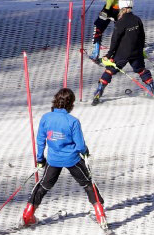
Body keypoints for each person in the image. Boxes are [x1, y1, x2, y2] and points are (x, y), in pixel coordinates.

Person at [22, 88, 106, 227]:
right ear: (71, 103)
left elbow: (41, 140)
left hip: (53, 159)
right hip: (72, 159)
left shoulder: (46, 118)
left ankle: (28, 214)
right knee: (88, 184)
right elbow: (79, 145)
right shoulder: (73, 121)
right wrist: (85, 151)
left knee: (43, 186)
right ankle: (100, 214)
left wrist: (40, 159)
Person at [92, 0, 154, 105]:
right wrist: (141, 50)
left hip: (122, 53)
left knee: (110, 69)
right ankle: (152, 88)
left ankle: (99, 91)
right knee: (141, 69)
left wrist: (109, 55)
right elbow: (142, 37)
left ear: (121, 7)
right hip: (136, 52)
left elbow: (115, 40)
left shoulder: (120, 21)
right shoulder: (137, 19)